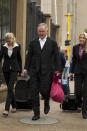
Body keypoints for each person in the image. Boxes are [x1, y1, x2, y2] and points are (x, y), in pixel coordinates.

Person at [24, 23, 61, 120]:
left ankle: (46, 100)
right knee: (34, 92)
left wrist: (58, 70)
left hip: (48, 72)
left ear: (47, 31)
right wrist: (25, 68)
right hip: (34, 71)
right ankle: (36, 113)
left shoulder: (52, 42)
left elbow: (57, 57)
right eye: (39, 31)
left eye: (43, 31)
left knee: (45, 90)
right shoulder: (33, 42)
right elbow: (29, 57)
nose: (41, 33)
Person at [0, 32, 22, 116]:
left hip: (14, 69)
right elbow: (0, 57)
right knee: (10, 89)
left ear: (12, 39)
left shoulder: (17, 46)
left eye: (9, 40)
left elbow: (19, 59)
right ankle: (14, 105)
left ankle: (6, 109)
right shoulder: (3, 46)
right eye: (6, 40)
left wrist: (20, 70)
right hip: (5, 69)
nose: (8, 42)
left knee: (9, 88)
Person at [70, 33, 87, 119]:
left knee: (85, 92)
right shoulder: (75, 47)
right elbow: (74, 60)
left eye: (83, 38)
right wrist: (71, 72)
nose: (81, 39)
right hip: (78, 72)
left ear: (85, 39)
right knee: (78, 91)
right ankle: (79, 103)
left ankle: (84, 111)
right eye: (80, 38)